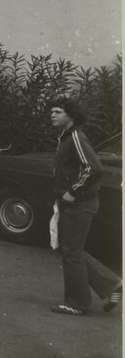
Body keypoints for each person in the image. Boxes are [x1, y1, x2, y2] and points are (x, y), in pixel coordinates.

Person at [48, 97, 122, 315]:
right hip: (73, 203)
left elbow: (93, 168)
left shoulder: (75, 137)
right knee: (71, 249)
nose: (52, 115)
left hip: (81, 203)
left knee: (71, 251)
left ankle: (77, 304)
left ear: (71, 115)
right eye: (52, 111)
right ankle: (111, 284)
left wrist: (73, 191)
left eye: (58, 112)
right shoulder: (65, 137)